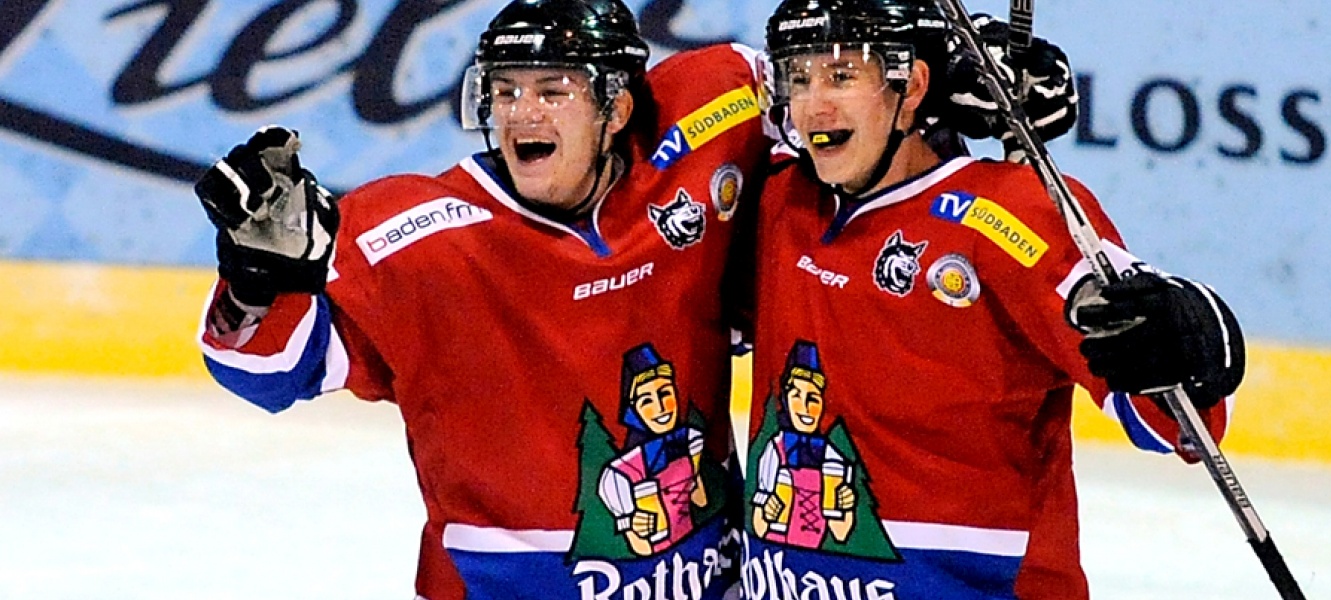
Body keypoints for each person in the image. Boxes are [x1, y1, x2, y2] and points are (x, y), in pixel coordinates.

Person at [192, 0, 1078, 597]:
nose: (522, 116)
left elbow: (839, 110)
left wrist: (952, 79)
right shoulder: (412, 233)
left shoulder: (714, 114)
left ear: (617, 107)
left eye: (552, 92)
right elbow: (268, 371)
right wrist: (263, 272)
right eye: (505, 94)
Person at [739, 2, 1246, 599]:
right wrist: (957, 53)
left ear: (913, 85)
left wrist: (1183, 336)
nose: (815, 104)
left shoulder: (1005, 213)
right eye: (799, 78)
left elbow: (1175, 421)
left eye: (843, 76)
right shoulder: (779, 205)